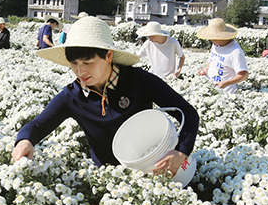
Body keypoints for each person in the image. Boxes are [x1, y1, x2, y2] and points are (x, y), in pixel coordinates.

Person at [13, 16, 199, 177]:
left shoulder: (139, 80)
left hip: (152, 170)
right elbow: (39, 124)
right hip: (107, 179)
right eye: (74, 63)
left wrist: (181, 152)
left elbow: (188, 113)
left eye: (88, 62)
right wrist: (24, 141)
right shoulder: (72, 96)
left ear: (108, 56)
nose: (80, 71)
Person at [196, 18, 247, 93]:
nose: (210, 40)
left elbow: (244, 75)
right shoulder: (216, 45)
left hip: (227, 94)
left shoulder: (235, 52)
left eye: (213, 38)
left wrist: (226, 83)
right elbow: (212, 60)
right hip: (211, 89)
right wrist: (205, 69)